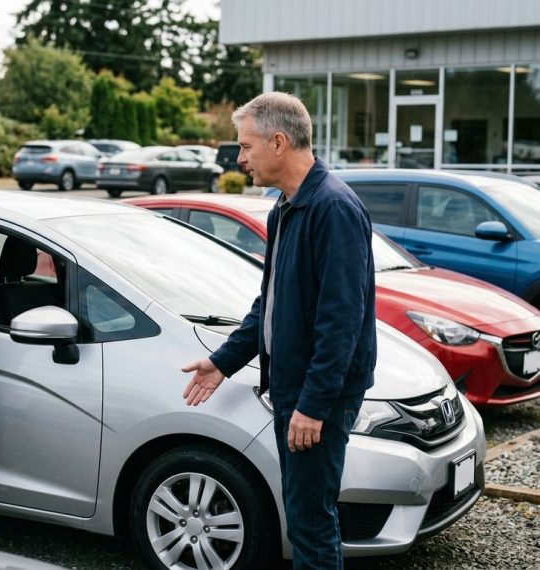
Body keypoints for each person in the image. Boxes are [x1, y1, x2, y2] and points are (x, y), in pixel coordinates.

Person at [181, 92, 376, 569]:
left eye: (245, 147)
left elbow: (341, 322)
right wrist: (222, 361)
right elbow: (268, 305)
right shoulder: (286, 207)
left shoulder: (333, 209)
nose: (240, 158)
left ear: (279, 142)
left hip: (316, 398)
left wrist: (313, 406)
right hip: (296, 390)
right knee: (303, 514)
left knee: (310, 522)